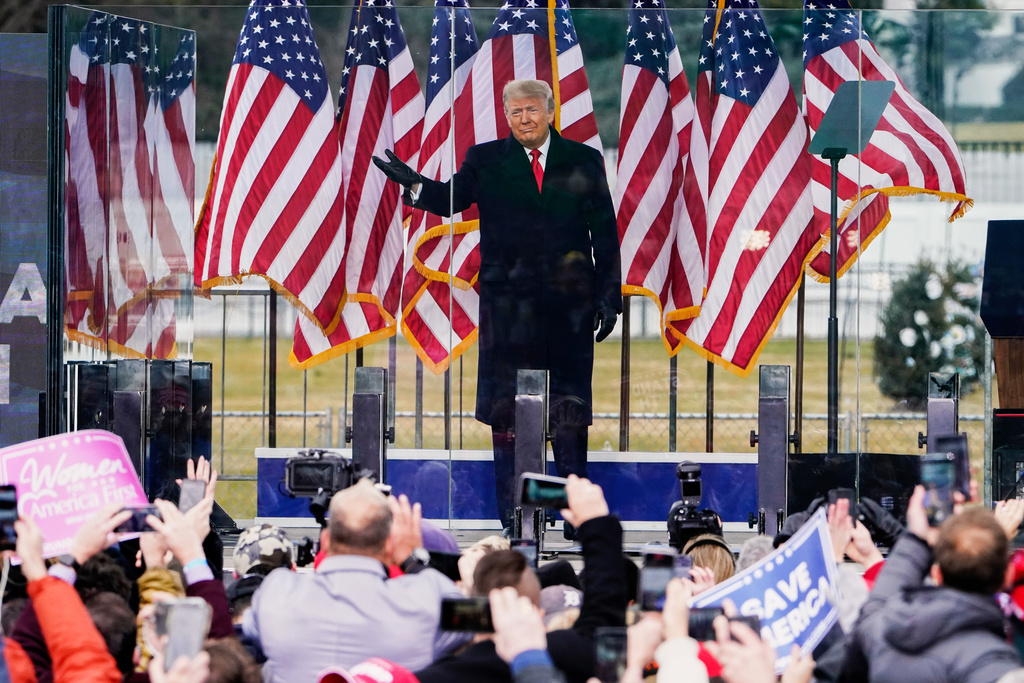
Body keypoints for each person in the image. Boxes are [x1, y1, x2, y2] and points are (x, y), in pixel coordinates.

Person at [373, 78, 621, 533]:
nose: (524, 120)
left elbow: (603, 233)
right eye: (515, 113)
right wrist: (415, 188)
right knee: (507, 412)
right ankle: (516, 515)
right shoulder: (485, 159)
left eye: (532, 111)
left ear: (550, 112)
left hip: (570, 310)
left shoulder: (583, 160)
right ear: (506, 116)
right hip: (507, 312)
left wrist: (609, 297)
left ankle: (574, 516)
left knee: (568, 411)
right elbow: (452, 199)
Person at [241, 482, 468, 681]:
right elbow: (480, 619)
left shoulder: (277, 591)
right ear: (390, 544)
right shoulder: (426, 601)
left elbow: (250, 631)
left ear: (325, 540)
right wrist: (413, 560)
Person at [839, 486, 1023, 682]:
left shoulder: (878, 628)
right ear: (1008, 575)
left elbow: (877, 603)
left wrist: (915, 538)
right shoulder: (994, 664)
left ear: (937, 574)